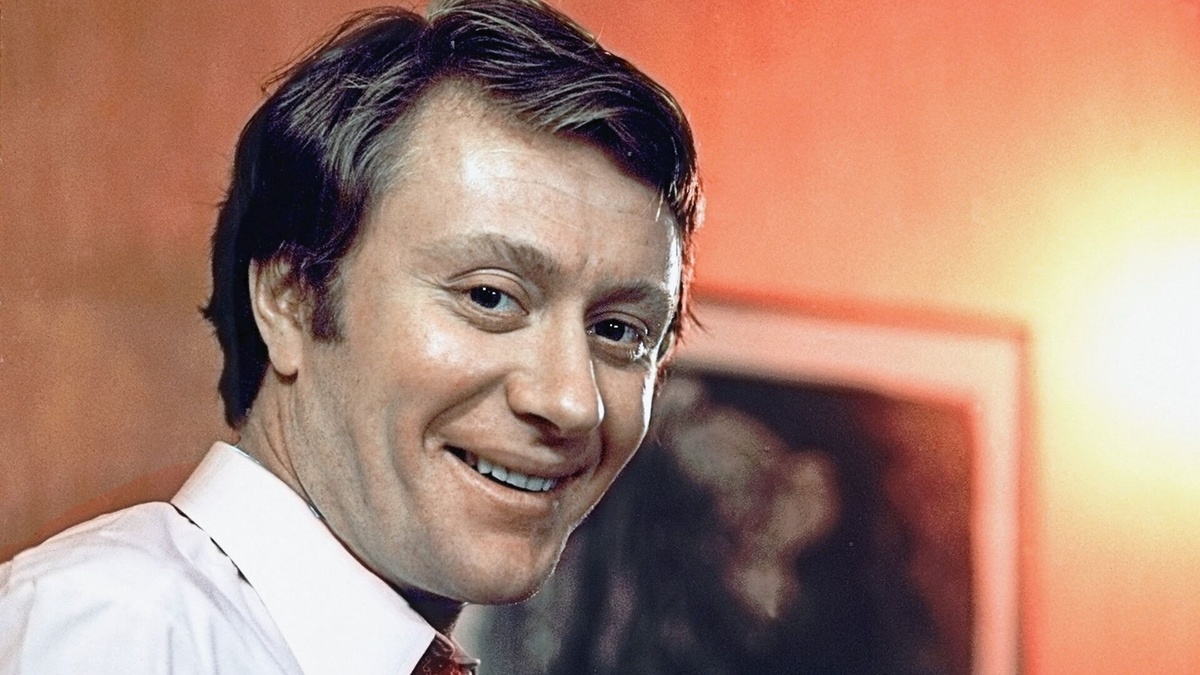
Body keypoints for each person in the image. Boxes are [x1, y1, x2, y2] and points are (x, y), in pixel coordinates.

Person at [0, 1, 701, 672]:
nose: (573, 401)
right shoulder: (117, 629)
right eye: (489, 296)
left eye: (618, 330)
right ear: (291, 300)